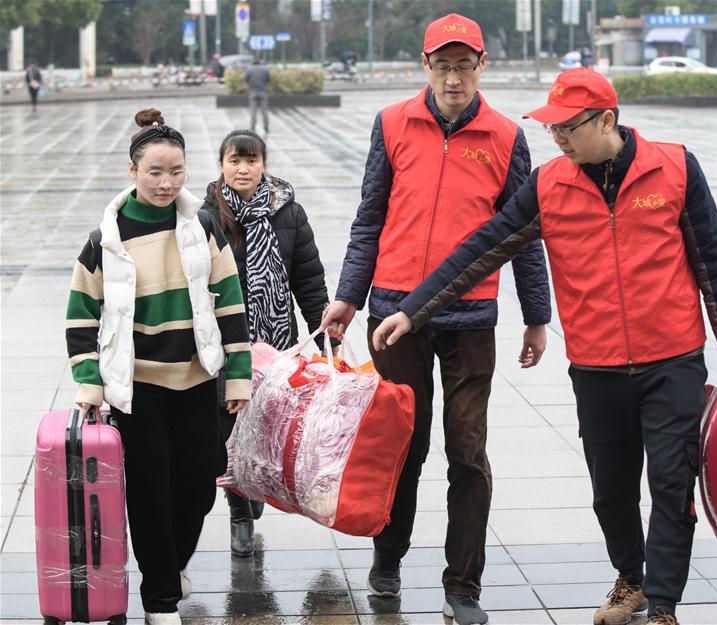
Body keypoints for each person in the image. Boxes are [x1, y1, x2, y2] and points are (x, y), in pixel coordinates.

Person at [372, 67, 717, 625]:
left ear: (606, 120)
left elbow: (712, 258)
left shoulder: (673, 166)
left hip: (672, 356)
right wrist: (413, 309)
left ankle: (664, 606)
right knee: (610, 492)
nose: (556, 139)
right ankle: (631, 578)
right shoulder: (550, 184)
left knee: (672, 483)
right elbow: (481, 247)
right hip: (597, 362)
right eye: (550, 129)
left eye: (566, 128)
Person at [319, 12, 551, 625]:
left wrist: (536, 316)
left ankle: (462, 585)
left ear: (482, 67)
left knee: (467, 452)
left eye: (464, 66)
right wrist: (348, 295)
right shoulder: (393, 123)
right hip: (395, 312)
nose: (454, 79)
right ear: (426, 66)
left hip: (472, 318)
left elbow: (525, 234)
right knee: (402, 444)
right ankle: (388, 557)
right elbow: (371, 216)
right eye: (443, 66)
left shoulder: (505, 135)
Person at [65, 108, 252, 625]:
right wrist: (89, 381)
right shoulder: (106, 236)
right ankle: (161, 600)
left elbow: (230, 302)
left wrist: (237, 375)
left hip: (197, 381)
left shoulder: (201, 224)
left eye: (176, 171)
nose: (167, 182)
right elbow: (80, 314)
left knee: (196, 489)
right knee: (150, 495)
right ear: (133, 171)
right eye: (155, 172)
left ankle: (171, 565)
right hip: (138, 388)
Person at [200, 129, 330, 557]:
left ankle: (253, 489)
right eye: (234, 160)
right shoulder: (207, 216)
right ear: (221, 165)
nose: (243, 168)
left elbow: (308, 278)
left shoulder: (289, 213)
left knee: (269, 424)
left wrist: (324, 328)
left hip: (277, 344)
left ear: (263, 165)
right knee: (231, 427)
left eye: (251, 161)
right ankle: (239, 508)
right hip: (227, 348)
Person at [245, 58, 271, 134]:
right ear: (259, 62)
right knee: (264, 111)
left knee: (253, 111)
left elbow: (246, 79)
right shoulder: (265, 69)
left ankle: (252, 128)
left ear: (252, 62)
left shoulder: (249, 69)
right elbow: (269, 79)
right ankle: (266, 127)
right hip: (263, 92)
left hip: (253, 92)